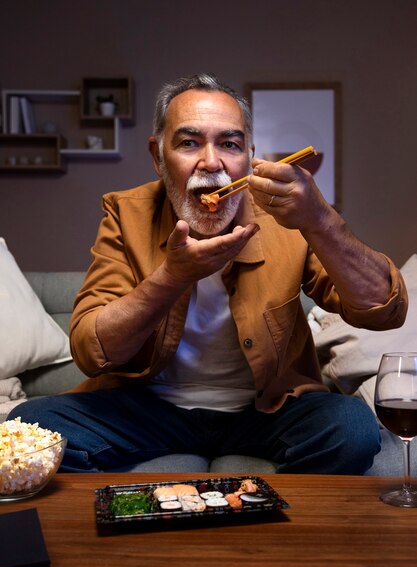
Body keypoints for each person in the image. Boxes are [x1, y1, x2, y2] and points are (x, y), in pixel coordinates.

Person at [9, 73, 408, 474]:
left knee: (352, 428)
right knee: (30, 428)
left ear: (249, 156)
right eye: (188, 142)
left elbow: (383, 310)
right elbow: (90, 351)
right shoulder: (126, 213)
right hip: (151, 409)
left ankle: (265, 515)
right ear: (157, 155)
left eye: (230, 144)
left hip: (268, 411)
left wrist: (320, 219)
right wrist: (173, 276)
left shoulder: (287, 219)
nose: (211, 162)